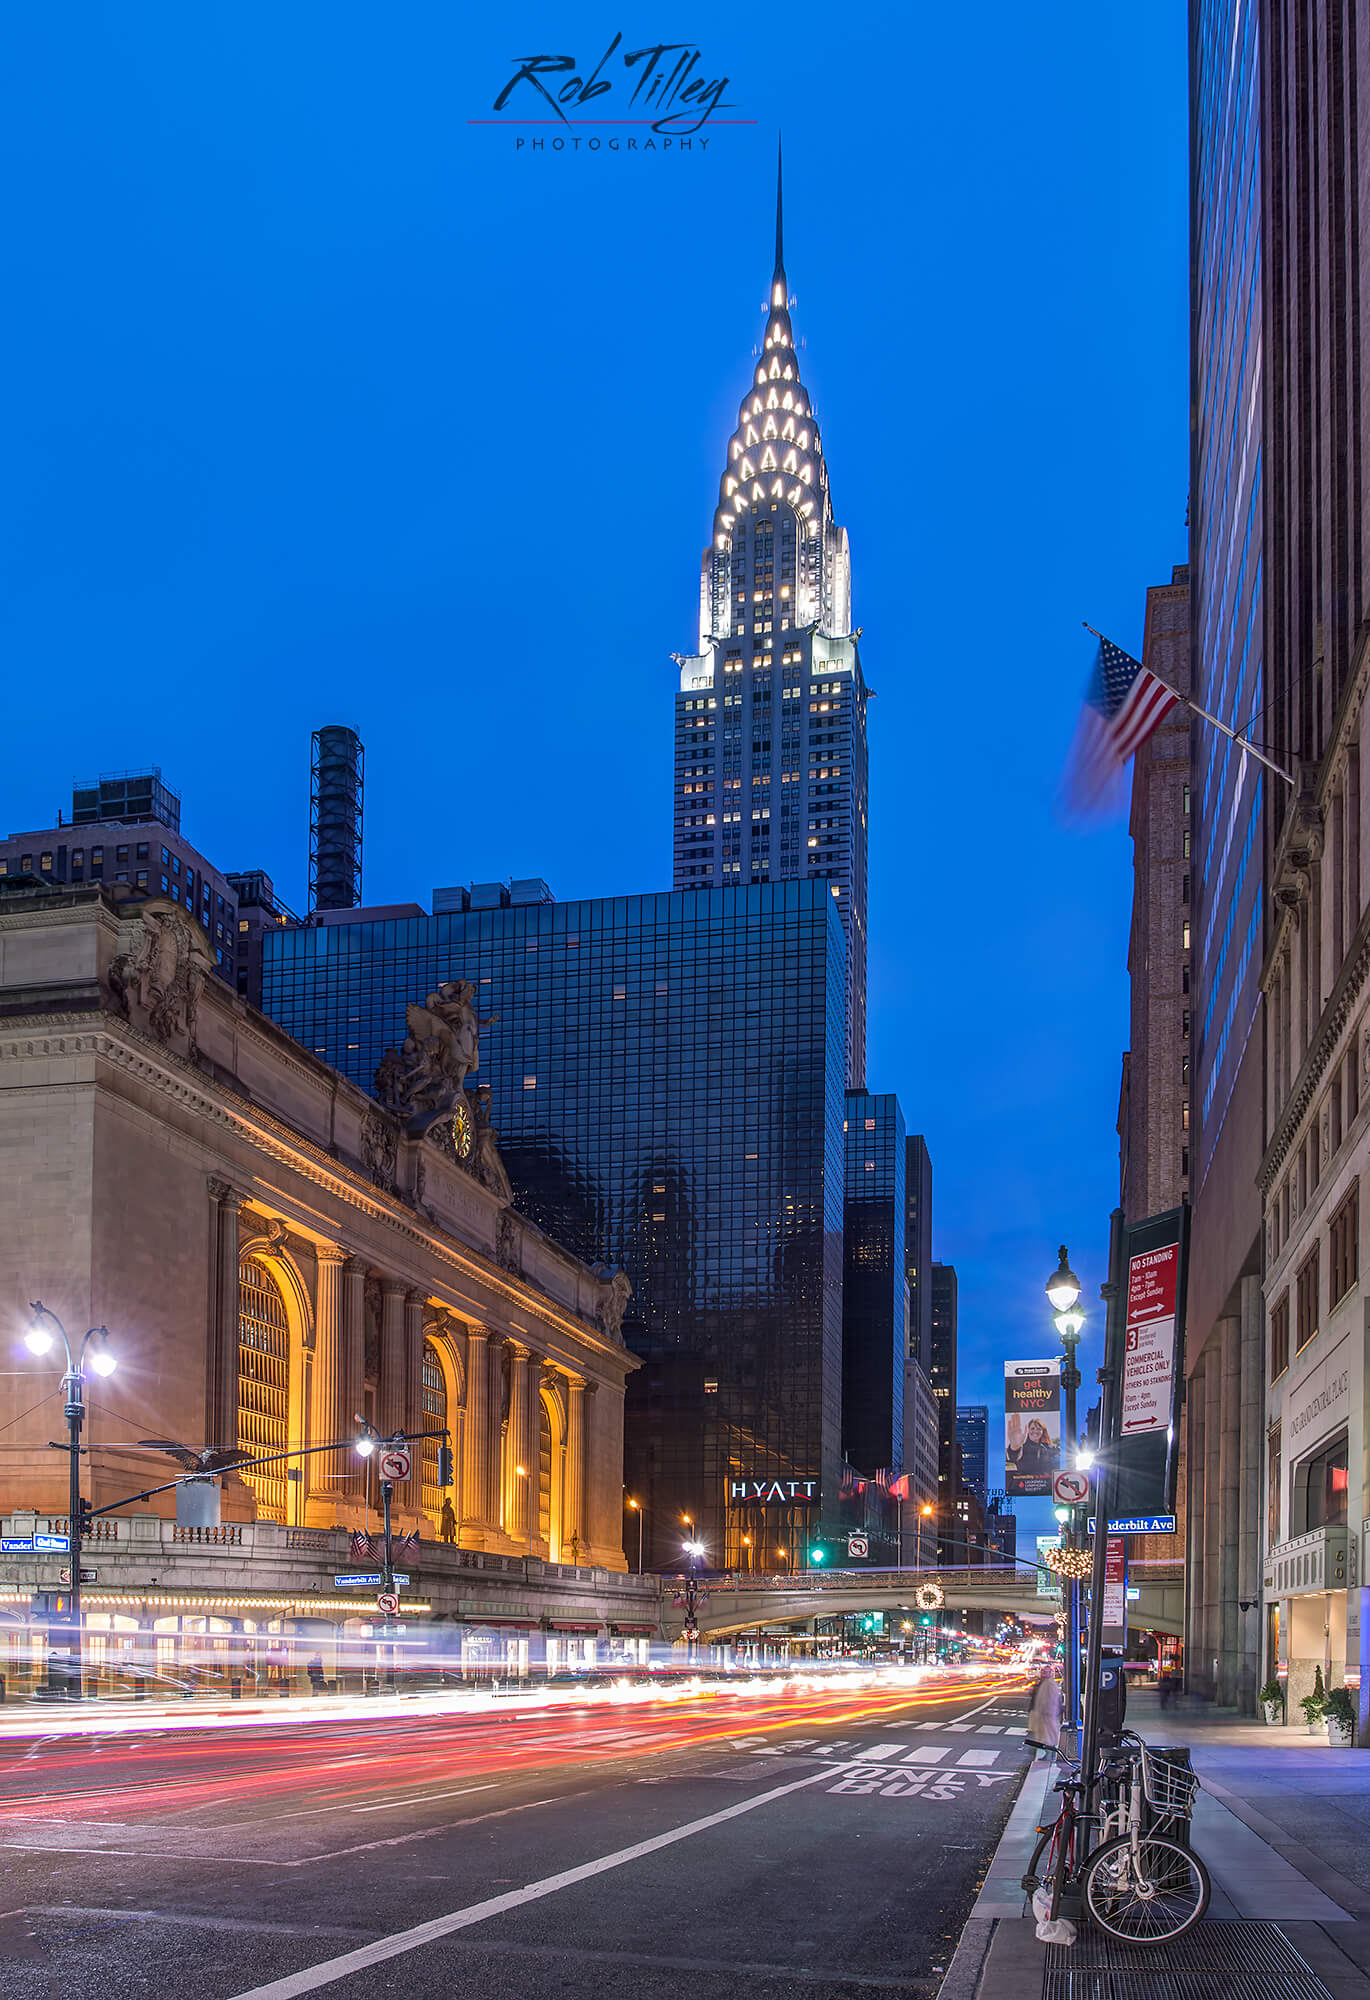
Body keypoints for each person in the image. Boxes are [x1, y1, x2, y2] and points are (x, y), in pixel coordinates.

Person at [1025, 1666, 1063, 1758]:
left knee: (1047, 1736)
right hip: (1044, 1715)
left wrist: (1047, 1712)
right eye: (1042, 1672)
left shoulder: (1049, 1684)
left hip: (1048, 1715)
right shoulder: (1044, 1683)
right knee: (1044, 1736)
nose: (1043, 1674)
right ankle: (1047, 1753)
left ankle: (1049, 1754)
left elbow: (1051, 1701)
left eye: (1046, 1672)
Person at [1006, 1416, 1058, 1480]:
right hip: (1025, 1485)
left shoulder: (1048, 1448)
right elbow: (1013, 1456)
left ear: (1043, 1432)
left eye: (1039, 1429)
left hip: (1045, 1485)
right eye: (1032, 1428)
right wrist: (1014, 1448)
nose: (1035, 1431)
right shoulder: (1022, 1447)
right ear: (1028, 1431)